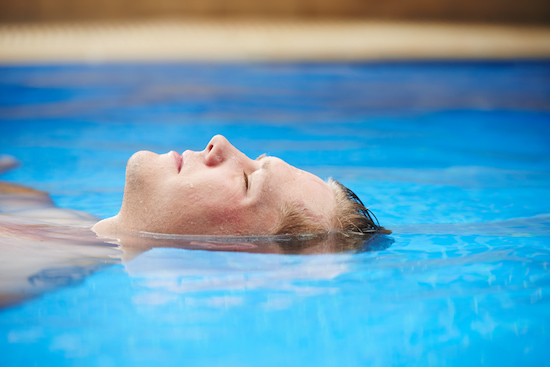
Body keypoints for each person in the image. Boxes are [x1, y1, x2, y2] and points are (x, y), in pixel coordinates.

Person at [92, 135, 388, 238]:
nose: (219, 142)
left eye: (247, 181)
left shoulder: (51, 272)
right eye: (255, 160)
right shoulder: (52, 219)